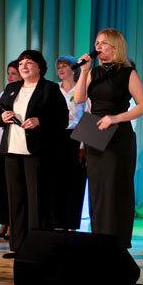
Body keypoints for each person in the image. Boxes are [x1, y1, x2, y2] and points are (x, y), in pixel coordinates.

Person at [74, 29, 143, 249]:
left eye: (104, 43)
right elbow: (78, 98)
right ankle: (100, 238)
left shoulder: (128, 73)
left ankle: (117, 240)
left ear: (115, 46)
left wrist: (115, 118)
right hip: (95, 131)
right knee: (97, 188)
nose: (98, 46)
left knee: (114, 186)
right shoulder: (93, 72)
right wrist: (84, 71)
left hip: (117, 133)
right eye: (97, 42)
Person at [0, 50, 68, 258]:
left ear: (40, 67)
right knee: (16, 200)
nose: (23, 66)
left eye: (29, 62)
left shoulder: (49, 88)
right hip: (11, 149)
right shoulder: (12, 88)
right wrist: (2, 118)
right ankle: (18, 246)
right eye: (21, 63)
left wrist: (39, 121)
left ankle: (37, 247)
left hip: (37, 151)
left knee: (37, 200)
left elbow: (62, 118)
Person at [55, 55, 87, 231]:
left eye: (64, 66)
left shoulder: (81, 89)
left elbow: (86, 116)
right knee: (57, 180)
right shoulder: (54, 89)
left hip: (76, 136)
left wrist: (82, 144)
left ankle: (72, 223)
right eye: (59, 66)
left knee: (75, 181)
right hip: (57, 136)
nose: (61, 69)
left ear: (74, 69)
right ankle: (58, 222)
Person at [0, 61, 21, 239]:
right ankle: (4, 222)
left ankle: (13, 225)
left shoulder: (26, 92)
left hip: (16, 143)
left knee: (13, 186)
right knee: (1, 185)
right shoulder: (5, 92)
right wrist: (2, 117)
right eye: (8, 73)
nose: (9, 76)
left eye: (13, 73)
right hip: (1, 143)